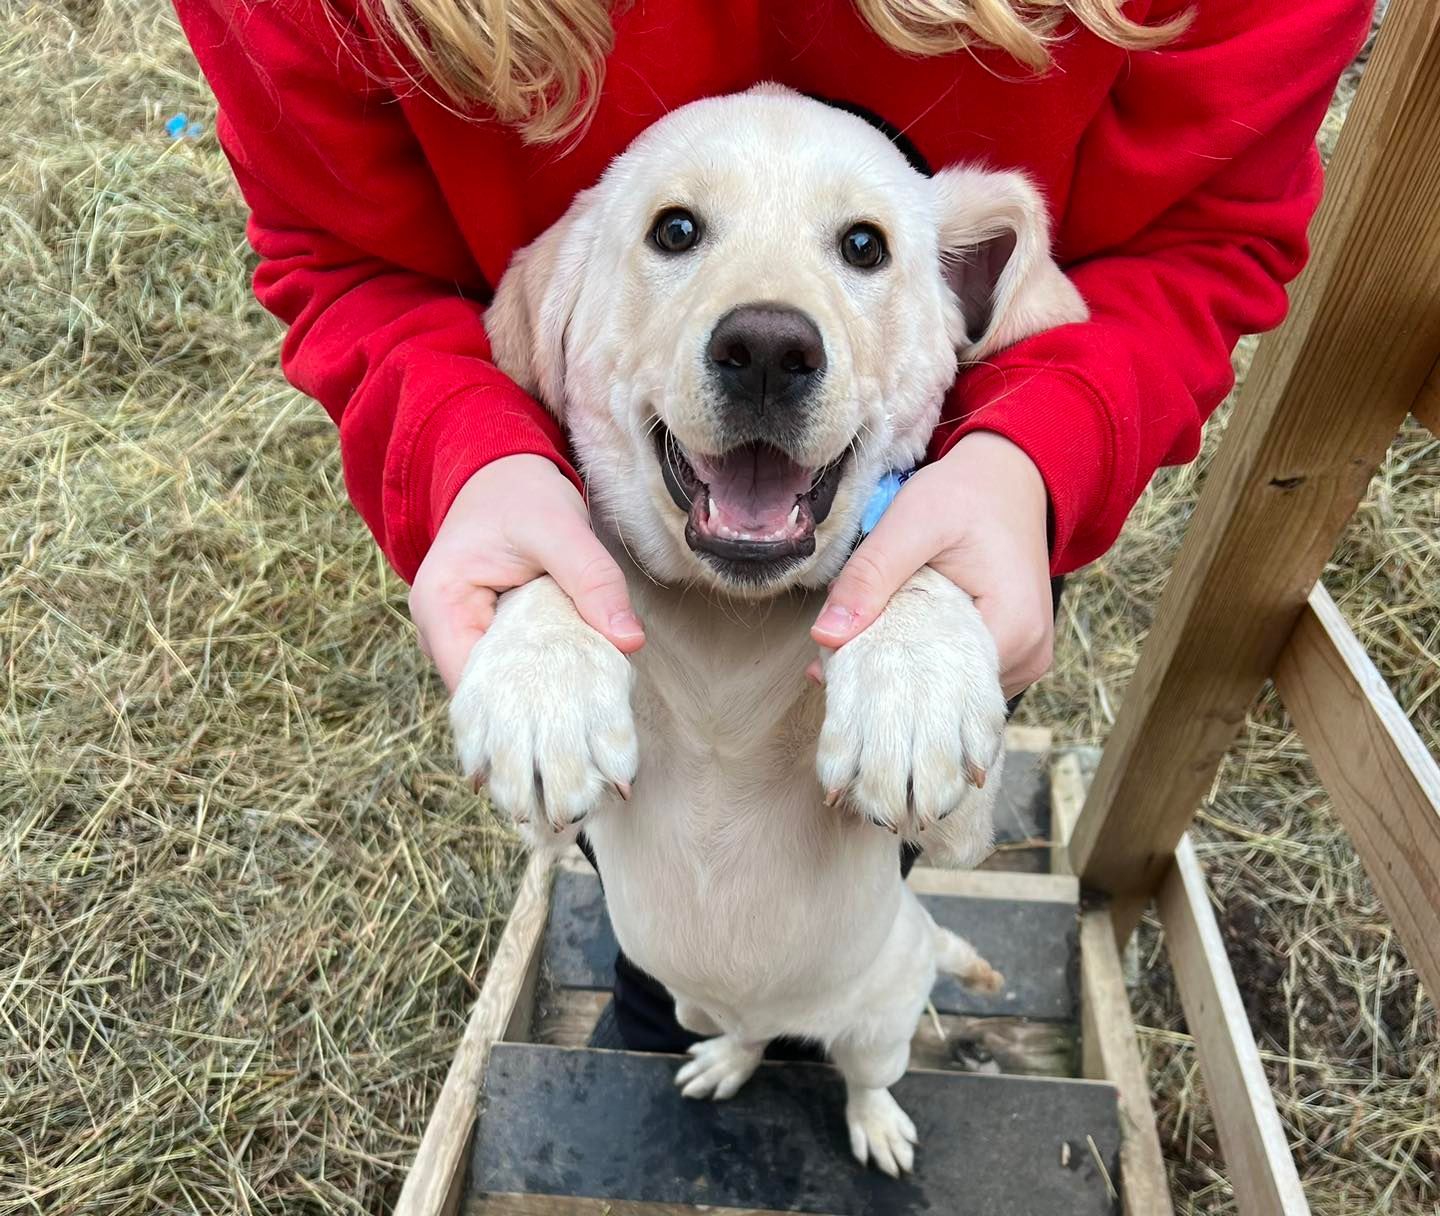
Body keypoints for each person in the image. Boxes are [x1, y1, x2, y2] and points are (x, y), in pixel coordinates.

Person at [174, 0, 1372, 1050]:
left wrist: (1030, 454)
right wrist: (468, 455)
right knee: (626, 823)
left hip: (930, 507)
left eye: (861, 249)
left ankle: (839, 976)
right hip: (592, 500)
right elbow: (341, 253)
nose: (764, 332)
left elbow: (1204, 234)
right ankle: (667, 993)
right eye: (678, 234)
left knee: (896, 770)